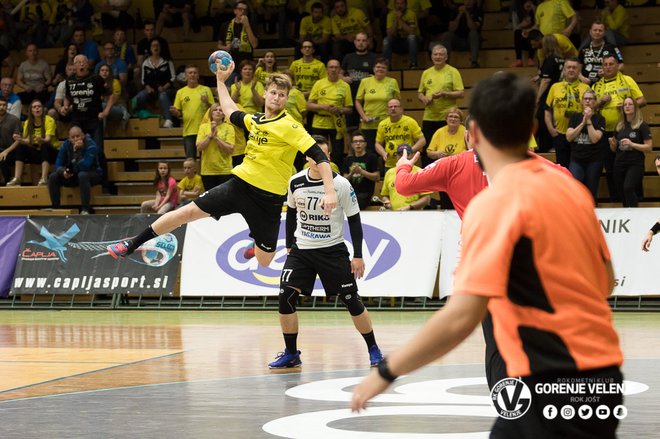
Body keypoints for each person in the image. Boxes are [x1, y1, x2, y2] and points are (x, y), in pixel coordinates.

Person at [352, 73, 624, 439]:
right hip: (603, 376)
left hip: (550, 379)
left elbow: (460, 318)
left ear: (473, 133)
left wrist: (385, 373)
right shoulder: (568, 184)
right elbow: (604, 282)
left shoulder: (492, 206)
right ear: (531, 128)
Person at [108, 62, 338, 269]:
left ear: (286, 99)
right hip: (240, 186)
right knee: (186, 212)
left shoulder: (291, 126)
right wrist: (220, 81)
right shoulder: (255, 120)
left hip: (268, 199)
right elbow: (230, 109)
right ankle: (130, 244)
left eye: (281, 95)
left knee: (265, 261)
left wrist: (329, 191)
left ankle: (256, 245)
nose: (276, 97)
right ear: (265, 94)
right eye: (273, 93)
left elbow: (320, 157)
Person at [268, 136, 383, 369]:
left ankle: (373, 348)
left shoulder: (340, 184)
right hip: (302, 251)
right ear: (308, 157)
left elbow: (355, 220)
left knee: (352, 300)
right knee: (285, 297)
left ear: (329, 157)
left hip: (332, 250)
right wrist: (290, 242)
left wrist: (358, 255)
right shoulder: (295, 182)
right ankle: (291, 353)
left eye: (325, 154)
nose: (321, 158)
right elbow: (290, 212)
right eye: (316, 154)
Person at [593, 54, 646, 202]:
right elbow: (590, 108)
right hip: (605, 132)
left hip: (628, 130)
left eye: (611, 64)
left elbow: (642, 100)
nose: (608, 67)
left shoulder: (627, 80)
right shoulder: (597, 86)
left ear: (617, 65)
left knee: (632, 166)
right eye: (606, 64)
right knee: (611, 168)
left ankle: (638, 200)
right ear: (602, 67)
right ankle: (616, 200)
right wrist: (600, 103)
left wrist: (626, 106)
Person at [417, 44, 464, 166]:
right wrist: (424, 98)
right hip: (429, 117)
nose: (438, 57)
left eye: (441, 54)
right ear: (431, 57)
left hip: (447, 117)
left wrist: (444, 93)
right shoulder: (426, 73)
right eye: (435, 54)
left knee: (447, 150)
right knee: (428, 150)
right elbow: (420, 93)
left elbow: (461, 93)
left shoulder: (453, 71)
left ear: (446, 57)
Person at [544, 57, 590, 168]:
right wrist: (551, 129)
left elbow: (591, 110)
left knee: (578, 169)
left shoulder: (586, 88)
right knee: (563, 168)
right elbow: (547, 111)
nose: (571, 70)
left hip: (579, 135)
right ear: (564, 70)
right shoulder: (555, 87)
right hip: (560, 134)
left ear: (579, 71)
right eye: (568, 67)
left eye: (574, 68)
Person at [307, 59, 353, 167]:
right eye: (331, 67)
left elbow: (349, 109)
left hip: (337, 124)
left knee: (337, 154)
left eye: (336, 67)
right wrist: (324, 107)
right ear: (327, 70)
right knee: (317, 152)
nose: (333, 70)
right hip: (319, 123)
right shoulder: (319, 84)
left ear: (340, 70)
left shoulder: (345, 86)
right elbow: (308, 105)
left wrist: (339, 110)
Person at [608, 97, 653, 208]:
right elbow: (614, 149)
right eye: (625, 105)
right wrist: (612, 145)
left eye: (630, 104)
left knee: (628, 187)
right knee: (621, 192)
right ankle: (627, 213)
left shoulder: (642, 126)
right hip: (619, 163)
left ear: (635, 107)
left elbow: (649, 147)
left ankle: (634, 213)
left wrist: (632, 144)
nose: (627, 106)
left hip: (635, 163)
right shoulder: (619, 126)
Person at [47, 126, 102, 215]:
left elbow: (85, 166)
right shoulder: (66, 145)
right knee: (53, 177)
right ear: (69, 138)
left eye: (78, 136)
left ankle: (85, 209)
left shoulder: (91, 145)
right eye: (73, 137)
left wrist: (77, 152)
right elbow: (57, 164)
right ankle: (55, 209)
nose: (76, 139)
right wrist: (63, 172)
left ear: (83, 136)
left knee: (82, 175)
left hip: (92, 174)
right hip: (74, 174)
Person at [6, 100, 58, 187]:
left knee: (45, 146)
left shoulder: (49, 120)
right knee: (21, 146)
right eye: (34, 107)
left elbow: (48, 139)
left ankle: (44, 178)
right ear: (31, 110)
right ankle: (17, 178)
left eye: (39, 106)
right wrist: (20, 139)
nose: (37, 108)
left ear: (42, 109)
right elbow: (28, 141)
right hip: (37, 151)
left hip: (51, 152)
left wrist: (41, 139)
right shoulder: (28, 122)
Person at [566, 89, 605, 202]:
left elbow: (594, 139)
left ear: (595, 102)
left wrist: (588, 122)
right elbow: (569, 137)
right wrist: (582, 122)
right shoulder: (574, 117)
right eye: (585, 99)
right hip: (576, 160)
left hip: (594, 160)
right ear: (582, 101)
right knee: (575, 188)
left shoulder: (600, 119)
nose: (588, 101)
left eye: (590, 99)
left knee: (591, 191)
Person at [354, 58, 400, 154]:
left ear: (387, 70)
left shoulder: (392, 82)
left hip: (387, 123)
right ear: (374, 68)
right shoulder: (365, 82)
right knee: (370, 152)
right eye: (378, 67)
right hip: (368, 124)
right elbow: (358, 101)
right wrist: (363, 116)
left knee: (388, 150)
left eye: (383, 67)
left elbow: (397, 102)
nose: (380, 69)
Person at [171, 65, 215, 159]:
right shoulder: (180, 92)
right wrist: (175, 112)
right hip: (188, 131)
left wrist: (206, 102)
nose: (192, 75)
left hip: (205, 130)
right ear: (186, 76)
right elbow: (178, 113)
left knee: (206, 160)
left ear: (198, 75)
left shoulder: (206, 90)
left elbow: (214, 109)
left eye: (195, 73)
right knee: (190, 160)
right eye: (190, 73)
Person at [134, 39, 176, 129]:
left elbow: (173, 77)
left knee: (163, 96)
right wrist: (148, 88)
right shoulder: (146, 63)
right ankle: (141, 116)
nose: (155, 48)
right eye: (153, 46)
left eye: (157, 46)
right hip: (151, 89)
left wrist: (164, 87)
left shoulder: (167, 61)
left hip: (166, 89)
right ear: (150, 48)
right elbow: (143, 80)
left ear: (161, 48)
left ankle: (169, 120)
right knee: (140, 96)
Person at [375, 99, 425, 174]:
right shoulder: (382, 124)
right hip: (390, 164)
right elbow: (377, 143)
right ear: (387, 110)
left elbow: (422, 140)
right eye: (390, 107)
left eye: (395, 106)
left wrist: (410, 150)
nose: (393, 109)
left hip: (407, 163)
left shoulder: (410, 122)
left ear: (401, 109)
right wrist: (383, 153)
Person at [340, 32, 377, 128]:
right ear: (355, 42)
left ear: (368, 42)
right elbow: (339, 74)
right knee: (350, 128)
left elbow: (380, 75)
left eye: (364, 40)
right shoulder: (348, 57)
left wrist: (373, 78)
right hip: (351, 96)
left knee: (367, 126)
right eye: (358, 40)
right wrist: (343, 78)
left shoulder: (373, 57)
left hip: (367, 97)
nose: (361, 43)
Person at [217, 0, 258, 84]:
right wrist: (225, 47)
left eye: (245, 10)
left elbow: (254, 45)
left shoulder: (251, 25)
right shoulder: (225, 25)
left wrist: (247, 26)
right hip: (231, 65)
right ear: (235, 11)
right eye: (240, 9)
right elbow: (219, 45)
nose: (242, 12)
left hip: (247, 65)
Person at [195, 102, 235, 191]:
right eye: (215, 110)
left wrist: (216, 138)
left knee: (224, 200)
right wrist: (209, 136)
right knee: (210, 201)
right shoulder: (203, 127)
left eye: (220, 110)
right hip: (207, 171)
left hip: (225, 170)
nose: (218, 112)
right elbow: (199, 148)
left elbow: (230, 149)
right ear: (211, 113)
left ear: (224, 114)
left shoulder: (229, 128)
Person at [379, 144, 430, 211]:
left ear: (412, 155)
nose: (403, 157)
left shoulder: (420, 172)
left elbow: (426, 198)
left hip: (414, 214)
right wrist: (387, 201)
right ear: (396, 156)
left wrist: (410, 207)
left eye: (407, 154)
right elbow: (385, 195)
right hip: (394, 214)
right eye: (400, 154)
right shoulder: (389, 172)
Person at [578, 21, 624, 86]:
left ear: (604, 33)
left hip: (607, 84)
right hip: (586, 86)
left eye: (600, 30)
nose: (597, 32)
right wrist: (582, 78)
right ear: (590, 32)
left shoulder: (612, 48)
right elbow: (577, 68)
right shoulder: (584, 49)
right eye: (595, 30)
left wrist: (608, 73)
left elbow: (621, 66)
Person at [341, 131, 379, 209]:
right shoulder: (348, 160)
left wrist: (361, 171)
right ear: (352, 145)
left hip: (365, 194)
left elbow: (377, 177)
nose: (358, 143)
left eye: (361, 141)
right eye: (355, 142)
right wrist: (351, 173)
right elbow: (344, 180)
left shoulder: (372, 157)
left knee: (356, 203)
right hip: (350, 193)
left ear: (365, 144)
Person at [442, 0, 482, 68]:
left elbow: (473, 28)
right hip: (458, 41)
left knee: (473, 34)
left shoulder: (478, 11)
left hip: (472, 42)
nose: (468, 2)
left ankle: (474, 62)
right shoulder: (456, 11)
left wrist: (467, 13)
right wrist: (459, 15)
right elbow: (451, 29)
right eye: (466, 0)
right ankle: (445, 63)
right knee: (447, 35)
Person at [383, 0, 420, 69]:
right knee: (386, 40)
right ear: (394, 5)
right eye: (397, 4)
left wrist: (400, 19)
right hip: (398, 42)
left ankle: (413, 64)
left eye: (402, 3)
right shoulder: (390, 15)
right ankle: (387, 65)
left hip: (413, 43)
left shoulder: (411, 14)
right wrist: (396, 20)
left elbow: (411, 32)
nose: (399, 6)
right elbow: (389, 33)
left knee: (411, 38)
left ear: (406, 4)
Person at [98, 64, 130, 132]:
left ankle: (101, 134)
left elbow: (113, 101)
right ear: (99, 73)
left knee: (102, 105)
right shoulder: (96, 83)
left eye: (107, 70)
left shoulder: (115, 82)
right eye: (102, 70)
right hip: (104, 110)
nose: (104, 72)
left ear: (110, 73)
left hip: (118, 109)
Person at [0, 96, 22, 186]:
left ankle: (7, 182)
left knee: (2, 159)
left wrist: (6, 151)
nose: (1, 107)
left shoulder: (14, 120)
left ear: (7, 106)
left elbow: (18, 140)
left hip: (11, 151)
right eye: (0, 105)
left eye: (4, 105)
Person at [510, 0, 536, 67]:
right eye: (526, 3)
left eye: (530, 3)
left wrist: (535, 11)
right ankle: (519, 59)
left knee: (535, 33)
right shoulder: (516, 12)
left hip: (532, 38)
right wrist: (522, 25)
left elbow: (539, 25)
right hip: (522, 39)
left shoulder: (536, 11)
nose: (529, 5)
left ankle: (530, 59)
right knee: (517, 32)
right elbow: (515, 28)